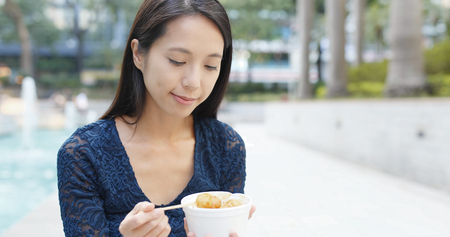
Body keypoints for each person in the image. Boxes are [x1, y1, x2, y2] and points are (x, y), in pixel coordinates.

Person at [57, 0, 256, 236]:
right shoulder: (83, 154)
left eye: (210, 66)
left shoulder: (225, 147)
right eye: (177, 61)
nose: (193, 82)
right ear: (138, 54)